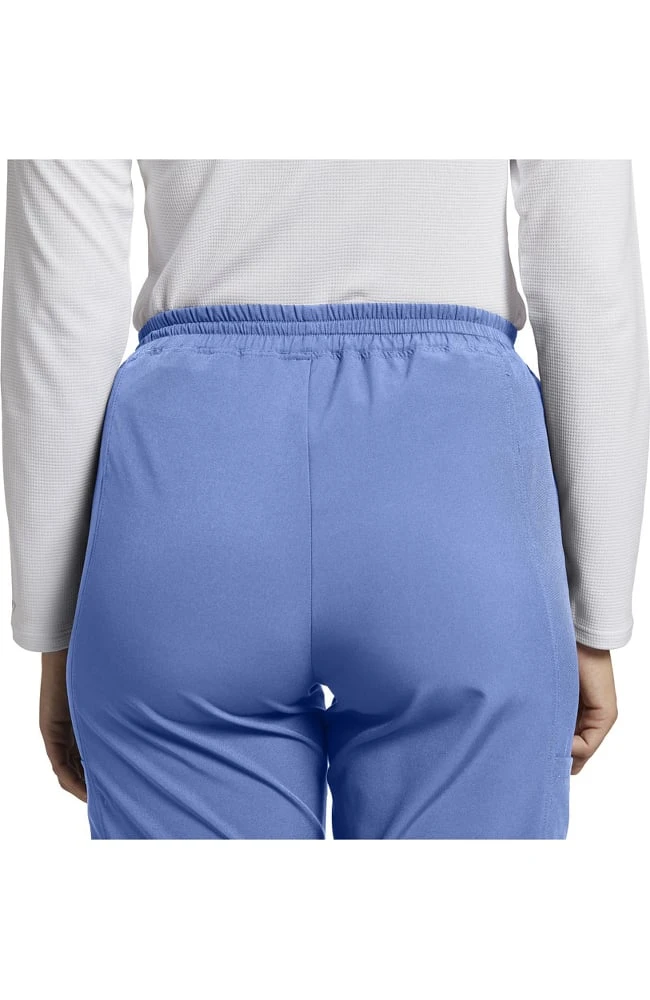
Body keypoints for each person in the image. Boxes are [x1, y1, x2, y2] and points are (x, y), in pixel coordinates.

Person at [2, 159, 647, 839]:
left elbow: (58, 303)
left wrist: (55, 624)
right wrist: (596, 611)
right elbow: (587, 273)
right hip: (456, 488)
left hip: (188, 490)